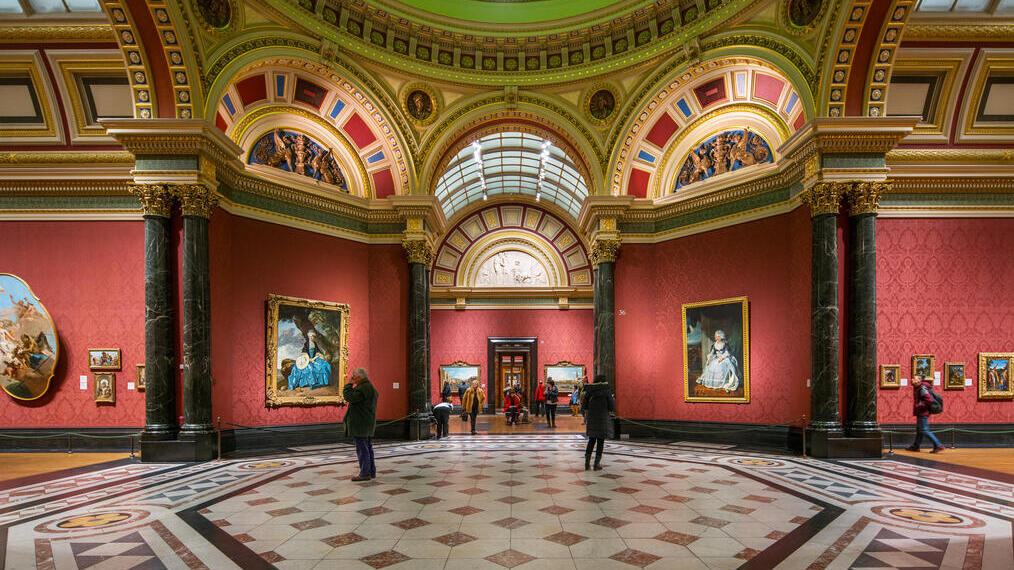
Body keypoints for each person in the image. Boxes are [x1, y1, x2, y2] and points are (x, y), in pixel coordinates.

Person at [341, 367, 378, 480]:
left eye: (353, 376)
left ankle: (365, 473)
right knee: (367, 447)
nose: (352, 377)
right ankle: (371, 471)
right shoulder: (368, 386)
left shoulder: (363, 388)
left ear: (359, 377)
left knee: (362, 449)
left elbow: (349, 397)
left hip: (361, 423)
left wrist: (348, 385)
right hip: (366, 422)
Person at [582, 374, 615, 470]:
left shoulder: (589, 391)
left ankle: (587, 464)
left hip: (592, 418)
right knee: (600, 441)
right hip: (602, 418)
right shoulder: (606, 391)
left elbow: (584, 405)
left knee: (591, 440)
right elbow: (611, 407)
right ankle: (596, 464)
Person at [907, 374, 944, 453]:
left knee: (924, 430)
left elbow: (929, 400)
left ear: (919, 380)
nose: (912, 379)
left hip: (923, 412)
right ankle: (916, 446)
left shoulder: (922, 388)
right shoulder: (918, 388)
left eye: (914, 378)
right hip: (921, 411)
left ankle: (938, 445)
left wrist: (919, 405)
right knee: (920, 430)